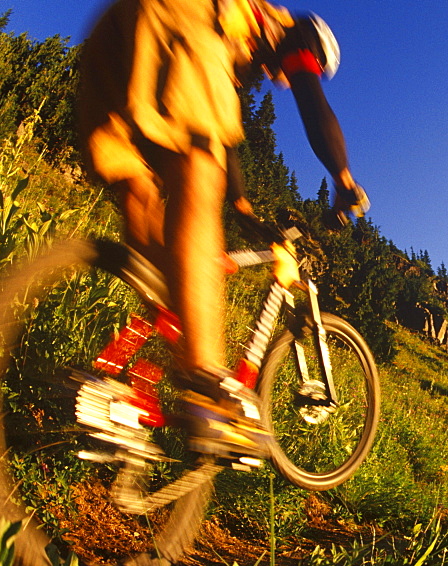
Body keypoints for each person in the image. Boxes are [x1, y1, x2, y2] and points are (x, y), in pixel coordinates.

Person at [76, 0, 368, 454]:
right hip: (181, 15)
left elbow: (212, 138)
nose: (284, 79)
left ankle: (119, 394)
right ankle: (208, 387)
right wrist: (342, 175)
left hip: (112, 36)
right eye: (298, 70)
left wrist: (243, 207)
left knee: (141, 190)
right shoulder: (289, 33)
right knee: (197, 171)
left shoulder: (239, 53)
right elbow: (313, 102)